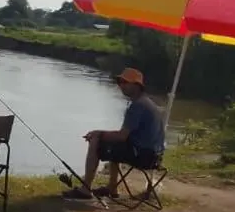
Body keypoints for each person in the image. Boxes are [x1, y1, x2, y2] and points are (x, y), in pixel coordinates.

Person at [64, 67, 165, 200]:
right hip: (154, 156)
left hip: (143, 157)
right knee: (112, 144)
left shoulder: (137, 106)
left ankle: (85, 189)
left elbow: (122, 136)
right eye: (119, 82)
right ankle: (112, 188)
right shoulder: (148, 103)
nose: (121, 85)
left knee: (97, 142)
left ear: (137, 85)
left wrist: (97, 134)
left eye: (125, 82)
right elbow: (124, 137)